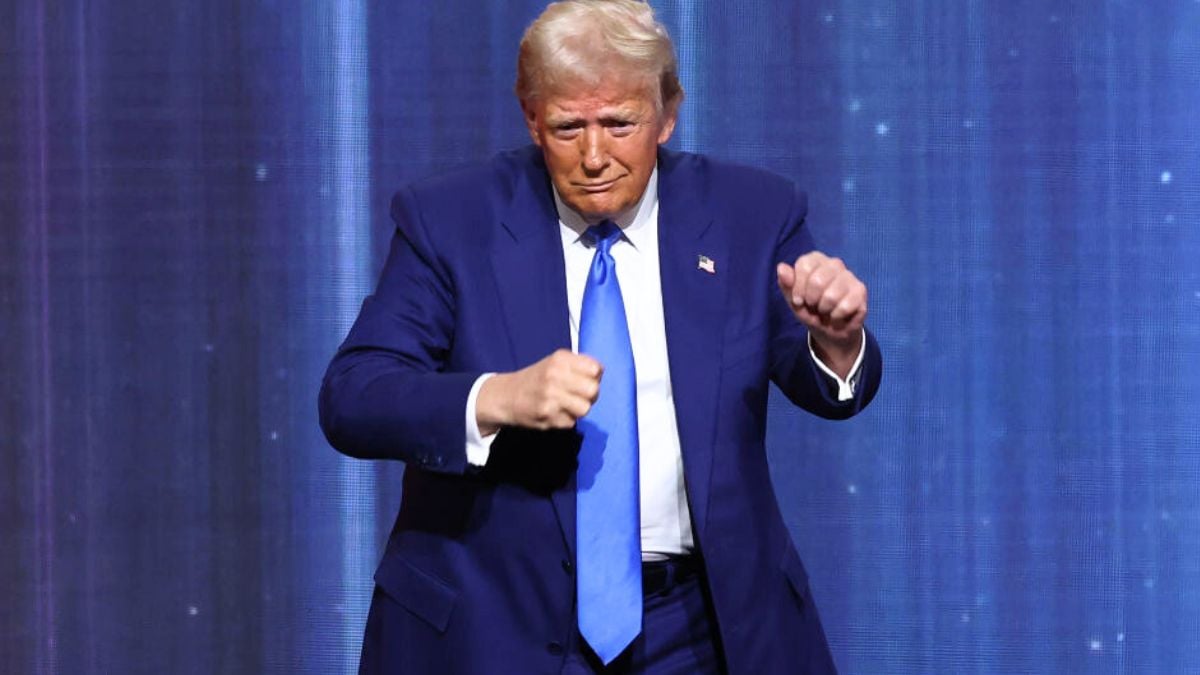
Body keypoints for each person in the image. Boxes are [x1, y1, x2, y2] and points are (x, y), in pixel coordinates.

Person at [319, 1, 881, 672]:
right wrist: (497, 396)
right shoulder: (451, 220)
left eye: (619, 123)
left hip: (701, 628)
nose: (593, 155)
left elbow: (825, 384)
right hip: (493, 622)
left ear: (667, 114)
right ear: (531, 117)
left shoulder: (750, 214)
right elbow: (354, 398)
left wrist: (838, 341)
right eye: (566, 127)